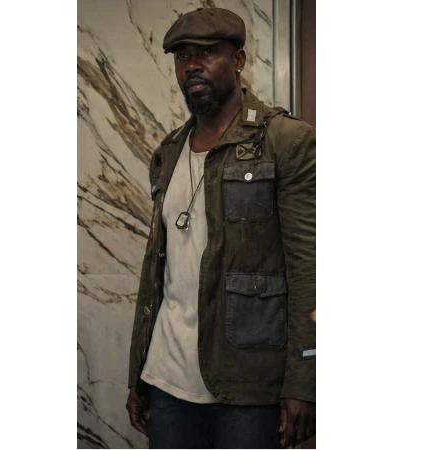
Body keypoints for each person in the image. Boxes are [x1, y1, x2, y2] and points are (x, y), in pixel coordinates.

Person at [126, 7, 316, 449]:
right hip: (167, 381)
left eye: (208, 53)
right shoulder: (168, 151)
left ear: (239, 59)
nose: (192, 65)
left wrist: (305, 381)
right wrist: (138, 374)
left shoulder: (285, 141)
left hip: (249, 387)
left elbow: (310, 269)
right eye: (182, 56)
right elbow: (157, 275)